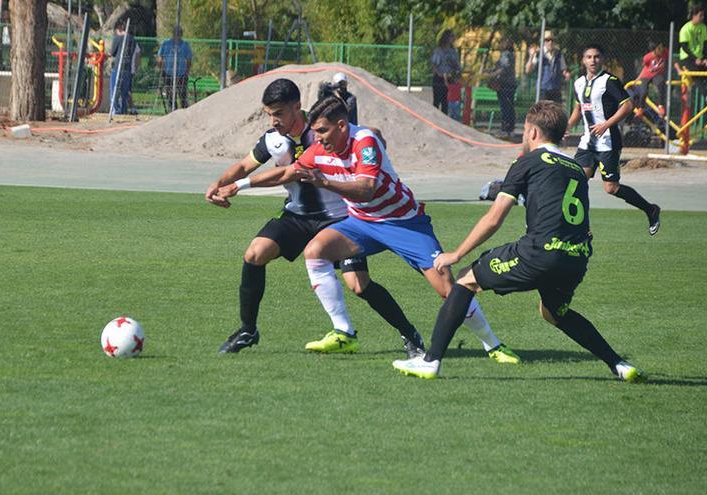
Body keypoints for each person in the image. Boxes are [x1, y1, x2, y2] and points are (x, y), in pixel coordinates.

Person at [216, 96, 521, 363]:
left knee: (446, 288)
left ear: (342, 126)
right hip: (361, 224)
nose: (317, 138)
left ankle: (493, 345)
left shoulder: (365, 141)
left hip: (404, 222)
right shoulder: (319, 147)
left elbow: (365, 189)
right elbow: (287, 172)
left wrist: (325, 182)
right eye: (315, 132)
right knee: (316, 251)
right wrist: (238, 185)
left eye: (322, 131)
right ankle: (344, 331)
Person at [391, 101, 646, 383]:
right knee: (553, 313)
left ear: (533, 132)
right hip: (576, 258)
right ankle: (619, 364)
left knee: (465, 280)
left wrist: (457, 253)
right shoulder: (575, 167)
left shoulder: (527, 162)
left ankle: (430, 362)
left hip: (541, 253)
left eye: (525, 132)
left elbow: (494, 218)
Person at [206, 79, 425, 357]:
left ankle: (409, 333)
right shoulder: (272, 140)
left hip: (340, 219)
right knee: (255, 253)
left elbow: (364, 135)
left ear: (297, 107)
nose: (274, 121)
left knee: (358, 283)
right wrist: (219, 183)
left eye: (279, 113)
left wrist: (376, 138)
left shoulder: (323, 128)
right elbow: (243, 166)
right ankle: (248, 329)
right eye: (269, 114)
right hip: (297, 215)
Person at [568, 44, 661, 235]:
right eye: (589, 57)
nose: (593, 60)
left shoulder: (609, 81)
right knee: (576, 181)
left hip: (608, 143)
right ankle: (582, 227)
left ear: (601, 59)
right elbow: (578, 109)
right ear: (583, 60)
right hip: (587, 143)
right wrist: (567, 127)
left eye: (596, 56)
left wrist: (606, 124)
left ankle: (650, 209)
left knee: (611, 188)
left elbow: (627, 106)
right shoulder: (578, 83)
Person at [679, 4, 707, 96]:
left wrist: (705, 58)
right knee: (697, 76)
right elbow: (684, 47)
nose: (702, 17)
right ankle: (706, 96)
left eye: (703, 15)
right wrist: (695, 59)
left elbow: (705, 45)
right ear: (694, 15)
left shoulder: (703, 28)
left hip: (699, 58)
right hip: (687, 58)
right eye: (700, 15)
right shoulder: (685, 29)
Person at [525, 31, 570, 103]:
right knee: (543, 111)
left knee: (557, 111)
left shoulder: (558, 53)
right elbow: (528, 70)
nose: (550, 42)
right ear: (543, 41)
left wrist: (566, 74)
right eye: (547, 40)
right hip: (543, 89)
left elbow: (563, 69)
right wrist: (531, 56)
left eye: (552, 40)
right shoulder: (538, 53)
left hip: (555, 89)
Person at [157, 26, 192, 111]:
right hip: (168, 73)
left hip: (181, 73)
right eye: (176, 33)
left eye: (179, 34)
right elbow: (160, 57)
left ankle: (184, 111)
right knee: (170, 94)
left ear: (181, 34)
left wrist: (187, 71)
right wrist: (162, 69)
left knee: (182, 94)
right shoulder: (166, 44)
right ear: (173, 34)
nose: (177, 35)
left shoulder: (185, 45)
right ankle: (173, 111)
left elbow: (189, 59)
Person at [109, 22, 141, 115]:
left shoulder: (118, 38)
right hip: (127, 68)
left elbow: (112, 53)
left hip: (118, 67)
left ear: (119, 29)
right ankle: (123, 109)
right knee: (125, 91)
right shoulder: (133, 40)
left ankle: (115, 110)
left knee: (114, 90)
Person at [631, 41, 668, 118]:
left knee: (660, 83)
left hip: (657, 75)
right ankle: (641, 108)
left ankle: (661, 106)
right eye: (659, 49)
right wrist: (638, 78)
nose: (661, 51)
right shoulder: (647, 57)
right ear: (654, 50)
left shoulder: (665, 53)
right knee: (644, 91)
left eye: (662, 48)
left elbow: (672, 61)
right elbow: (644, 68)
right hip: (646, 75)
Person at [489, 38, 517, 139]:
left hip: (505, 84)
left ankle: (505, 129)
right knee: (510, 106)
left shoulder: (506, 54)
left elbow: (503, 69)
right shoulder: (511, 54)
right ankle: (510, 129)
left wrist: (492, 74)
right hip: (511, 84)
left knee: (505, 107)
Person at [431, 30, 460, 115]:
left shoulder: (453, 52)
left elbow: (457, 65)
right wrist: (439, 74)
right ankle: (434, 118)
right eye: (451, 37)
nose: (453, 39)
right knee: (437, 101)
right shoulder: (438, 51)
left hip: (449, 78)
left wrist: (456, 73)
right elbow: (434, 64)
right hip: (439, 79)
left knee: (446, 102)